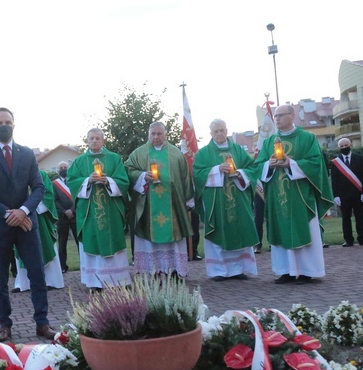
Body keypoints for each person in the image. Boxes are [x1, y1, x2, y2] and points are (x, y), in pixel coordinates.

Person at [0, 107, 55, 342]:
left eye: (7, 121)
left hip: (27, 223)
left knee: (37, 274)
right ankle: (4, 325)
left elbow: (38, 187)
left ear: (14, 125)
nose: (3, 125)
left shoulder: (27, 153)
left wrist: (23, 210)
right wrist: (8, 214)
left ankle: (42, 322)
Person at [249, 105, 334, 284]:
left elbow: (316, 164)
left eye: (281, 115)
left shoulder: (307, 138)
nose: (277, 119)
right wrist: (268, 165)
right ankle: (285, 271)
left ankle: (306, 271)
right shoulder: (269, 141)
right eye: (276, 116)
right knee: (281, 230)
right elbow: (258, 165)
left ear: (292, 116)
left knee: (303, 228)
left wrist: (291, 164)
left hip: (301, 196)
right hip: (277, 196)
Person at [125, 122, 195, 277]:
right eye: (153, 134)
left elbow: (185, 178)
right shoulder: (139, 154)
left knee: (174, 237)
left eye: (159, 134)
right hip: (148, 205)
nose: (156, 137)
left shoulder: (176, 154)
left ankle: (175, 270)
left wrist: (188, 200)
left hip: (173, 206)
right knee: (148, 237)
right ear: (148, 135)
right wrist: (143, 176)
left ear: (166, 135)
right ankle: (151, 270)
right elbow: (128, 171)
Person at [192, 119, 259, 281]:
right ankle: (218, 270)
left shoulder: (238, 150)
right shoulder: (204, 153)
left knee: (240, 229)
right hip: (216, 201)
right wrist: (216, 170)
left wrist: (240, 174)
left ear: (227, 130)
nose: (220, 134)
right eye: (216, 131)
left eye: (222, 130)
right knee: (217, 230)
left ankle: (238, 269)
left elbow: (252, 169)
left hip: (238, 198)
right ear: (210, 134)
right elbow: (197, 174)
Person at [68, 128, 131, 289]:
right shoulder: (79, 161)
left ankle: (118, 280)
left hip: (111, 210)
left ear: (103, 140)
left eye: (97, 138)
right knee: (92, 242)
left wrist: (108, 181)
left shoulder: (115, 159)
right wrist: (87, 181)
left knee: (113, 242)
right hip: (89, 213)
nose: (94, 141)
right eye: (91, 138)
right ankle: (95, 282)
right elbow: (72, 182)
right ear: (87, 141)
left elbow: (124, 181)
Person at [14, 169, 64, 291]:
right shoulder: (12, 173)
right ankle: (23, 283)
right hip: (19, 217)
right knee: (21, 248)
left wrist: (28, 208)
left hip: (39, 217)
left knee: (45, 245)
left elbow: (48, 194)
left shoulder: (40, 174)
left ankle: (50, 281)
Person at [331, 137, 363, 247]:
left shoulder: (360, 159)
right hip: (343, 196)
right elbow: (334, 180)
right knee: (346, 218)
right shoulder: (336, 162)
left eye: (346, 145)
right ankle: (348, 240)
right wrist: (336, 195)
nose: (344, 147)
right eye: (342, 146)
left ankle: (362, 239)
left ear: (351, 145)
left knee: (360, 217)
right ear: (339, 148)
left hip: (358, 194)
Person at [53, 161, 78, 273]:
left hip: (76, 215)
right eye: (61, 167)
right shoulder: (54, 184)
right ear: (57, 171)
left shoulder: (74, 181)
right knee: (62, 242)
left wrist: (72, 210)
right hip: (62, 217)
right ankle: (63, 266)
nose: (63, 169)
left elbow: (78, 196)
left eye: (65, 167)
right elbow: (54, 200)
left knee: (80, 241)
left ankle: (84, 264)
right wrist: (64, 211)